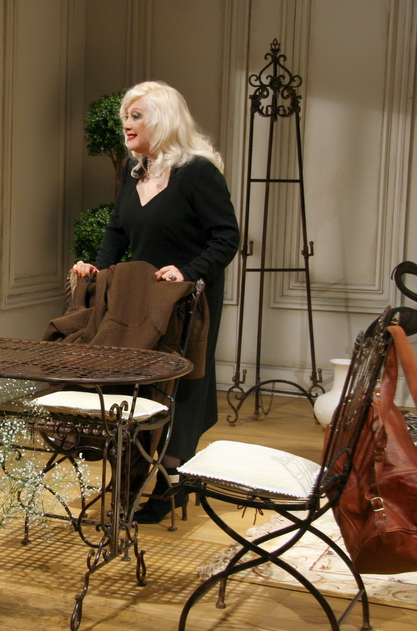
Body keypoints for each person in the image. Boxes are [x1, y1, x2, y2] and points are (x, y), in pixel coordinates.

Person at [73, 82, 239, 524]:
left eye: (136, 116)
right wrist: (97, 269)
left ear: (162, 120)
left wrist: (188, 270)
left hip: (188, 301)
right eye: (125, 117)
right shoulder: (136, 175)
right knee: (135, 383)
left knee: (178, 386)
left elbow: (227, 237)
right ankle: (131, 474)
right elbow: (116, 232)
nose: (126, 125)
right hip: (141, 299)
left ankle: (171, 481)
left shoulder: (198, 173)